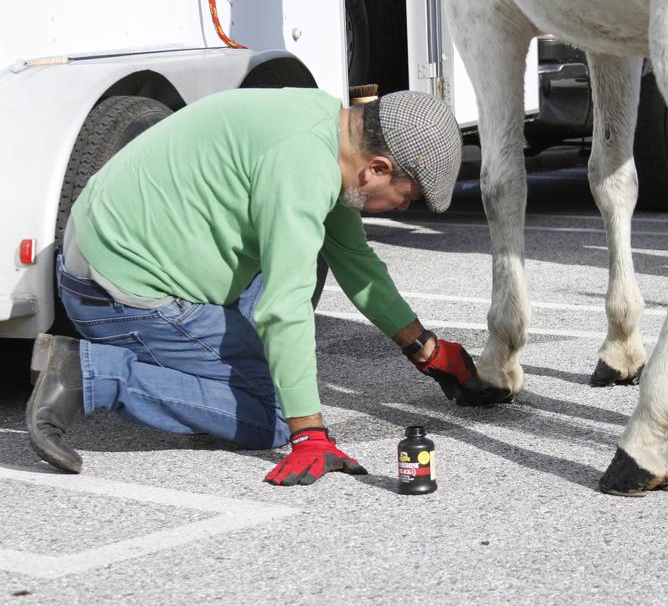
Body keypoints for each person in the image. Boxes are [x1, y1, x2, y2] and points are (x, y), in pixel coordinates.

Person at [26, 87, 508, 486]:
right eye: (408, 197)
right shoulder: (302, 167)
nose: (403, 210)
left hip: (110, 250)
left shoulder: (326, 126)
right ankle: (89, 373)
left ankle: (207, 369)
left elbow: (355, 261)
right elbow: (285, 307)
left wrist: (426, 349)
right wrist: (309, 432)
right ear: (378, 168)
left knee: (309, 261)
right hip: (121, 295)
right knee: (274, 412)